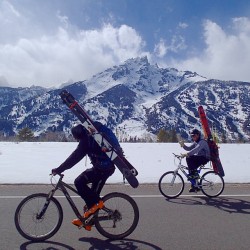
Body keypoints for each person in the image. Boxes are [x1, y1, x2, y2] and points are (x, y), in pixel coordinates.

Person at [51, 123, 116, 230]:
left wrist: (59, 169)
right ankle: (89, 221)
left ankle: (97, 206)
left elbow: (74, 158)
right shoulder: (90, 136)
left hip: (104, 169)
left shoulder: (86, 141)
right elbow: (75, 157)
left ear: (78, 135)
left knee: (79, 182)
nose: (75, 139)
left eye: (75, 137)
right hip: (101, 168)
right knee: (92, 198)